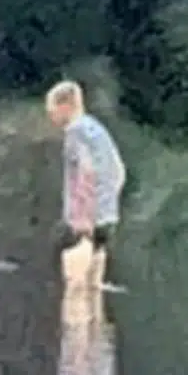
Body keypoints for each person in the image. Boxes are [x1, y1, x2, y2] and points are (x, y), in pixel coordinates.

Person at [45, 80, 126, 298]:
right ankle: (96, 327)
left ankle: (74, 329)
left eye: (52, 110)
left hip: (85, 221)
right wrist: (108, 204)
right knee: (94, 289)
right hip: (107, 217)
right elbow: (118, 171)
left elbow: (85, 173)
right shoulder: (97, 131)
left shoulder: (76, 132)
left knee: (72, 287)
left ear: (65, 106)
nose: (50, 117)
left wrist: (84, 219)